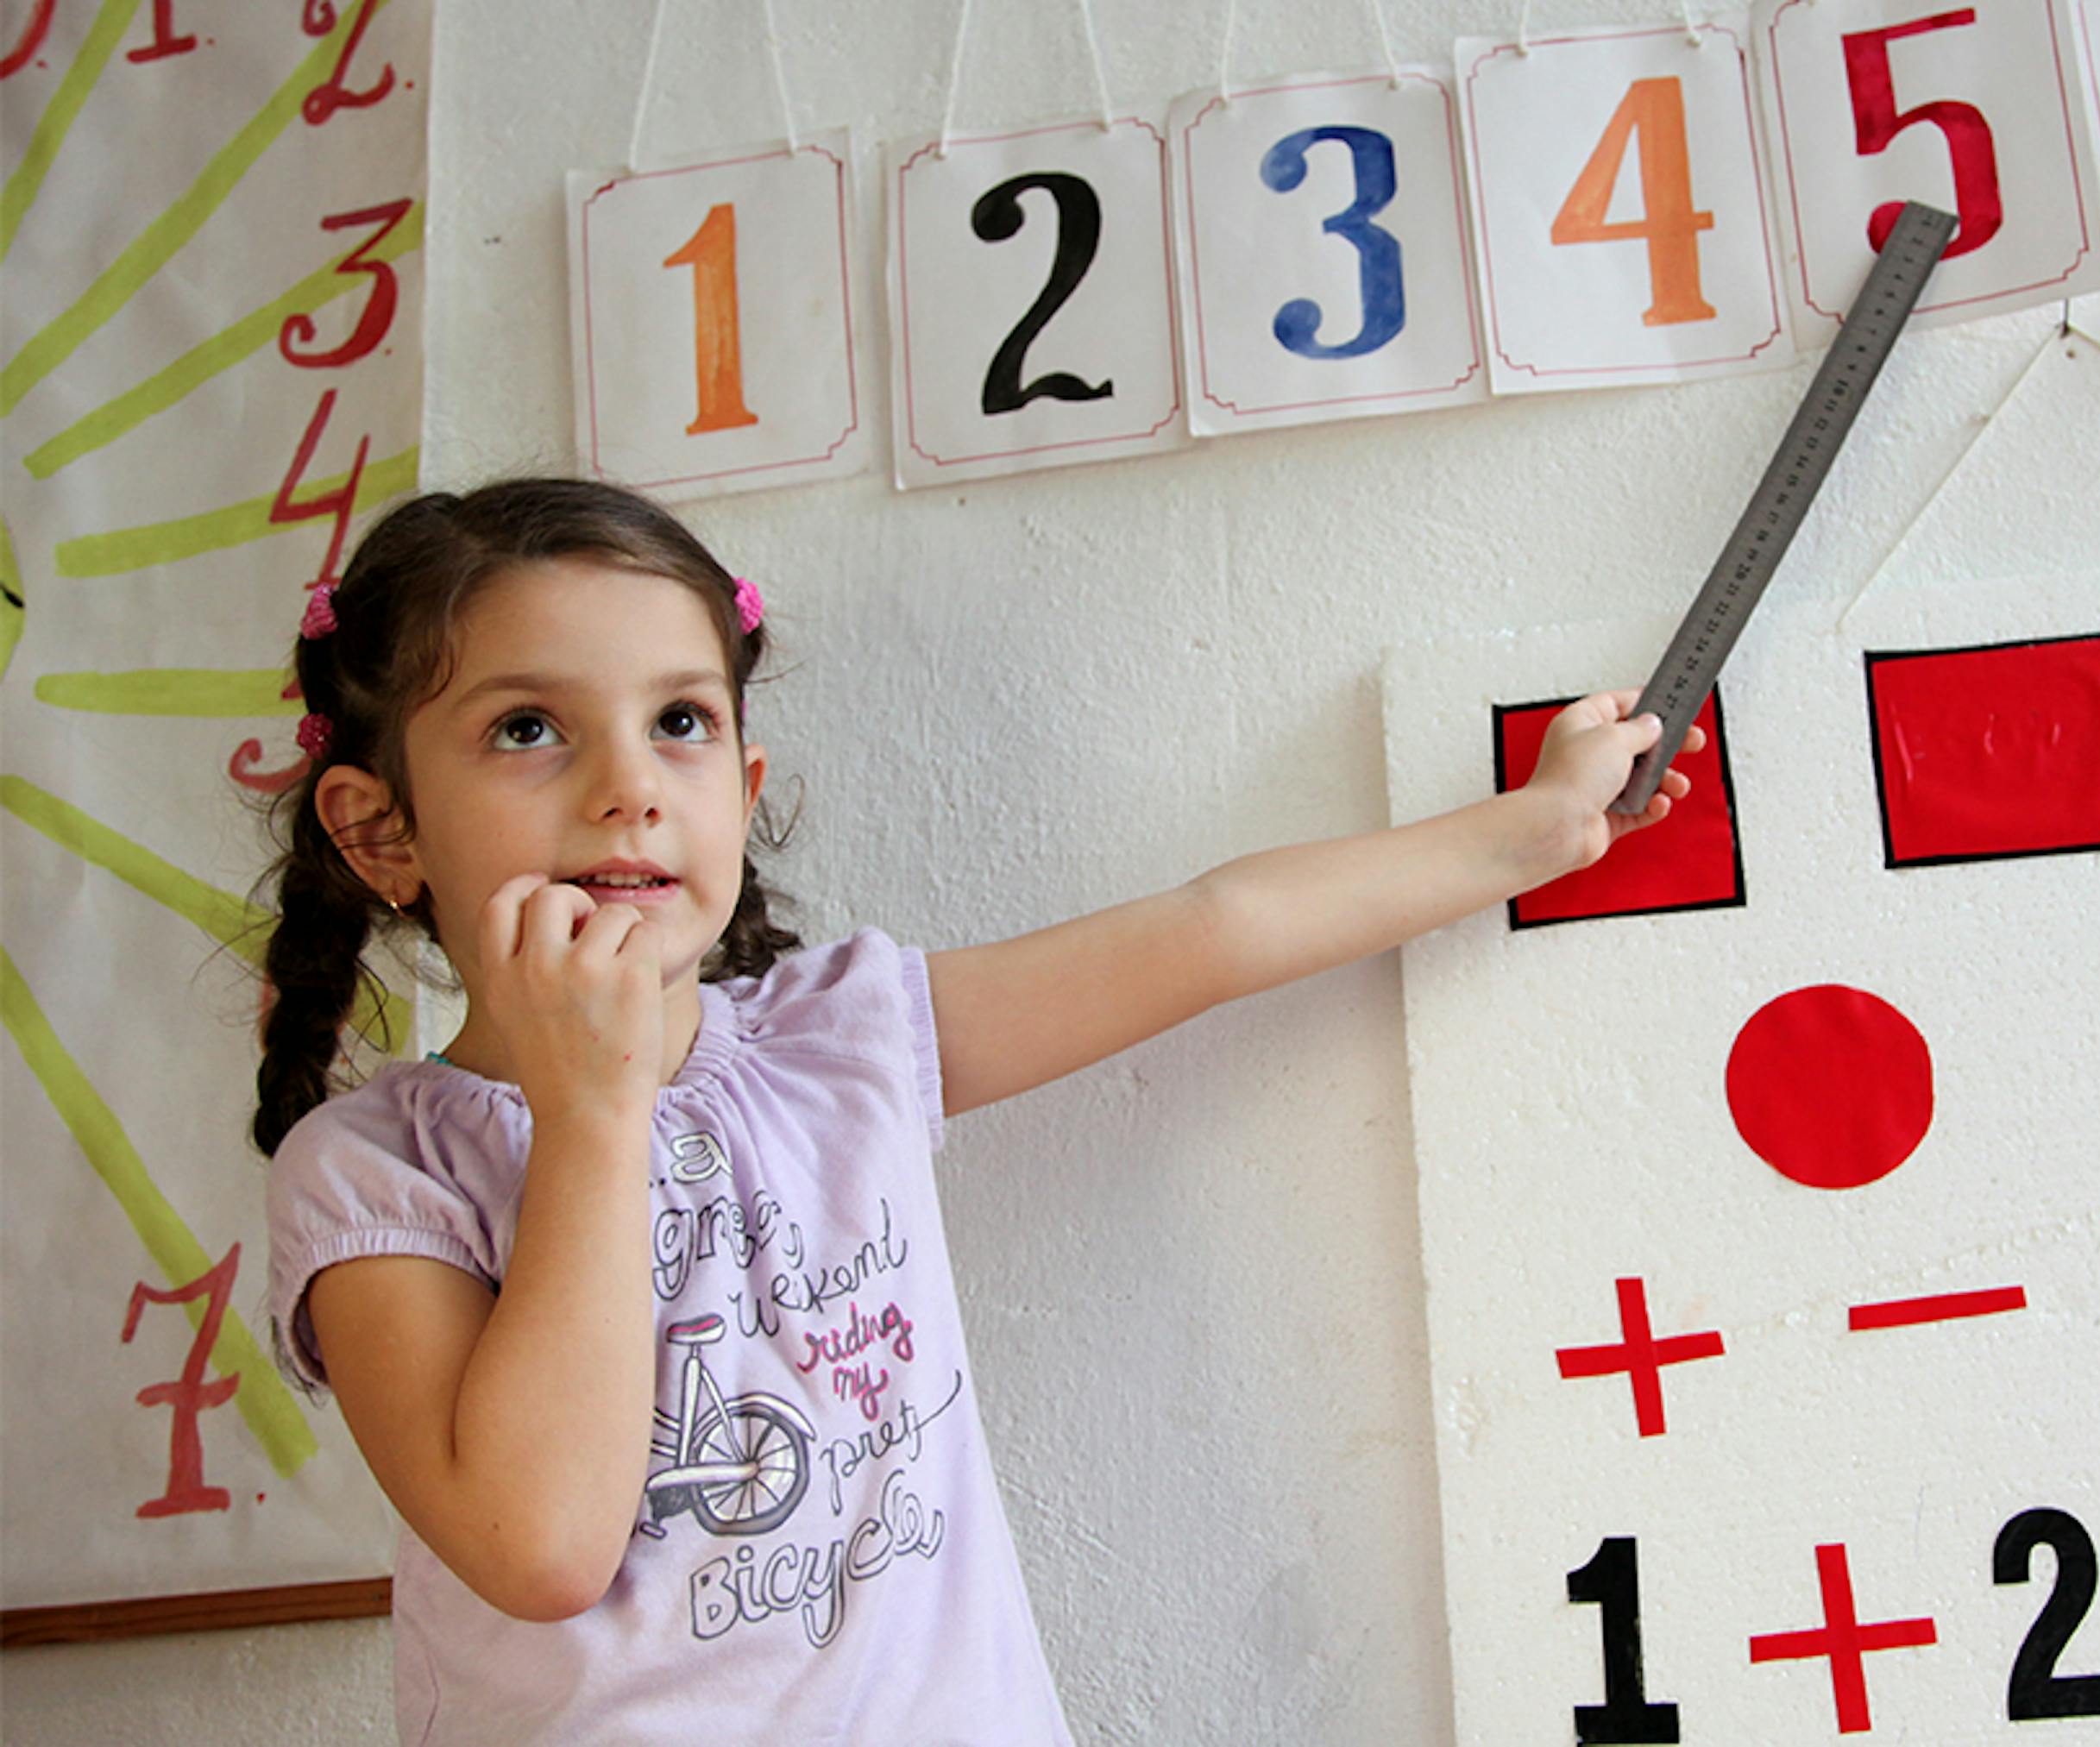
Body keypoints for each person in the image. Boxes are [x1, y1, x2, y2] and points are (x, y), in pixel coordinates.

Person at [256, 478, 1694, 1743]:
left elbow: (1213, 929)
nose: (630, 786)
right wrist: (590, 1107)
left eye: (681, 721)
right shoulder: (376, 1173)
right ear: (382, 829)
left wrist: (1533, 831)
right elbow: (544, 1545)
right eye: (528, 727)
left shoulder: (843, 1038)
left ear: (744, 790)